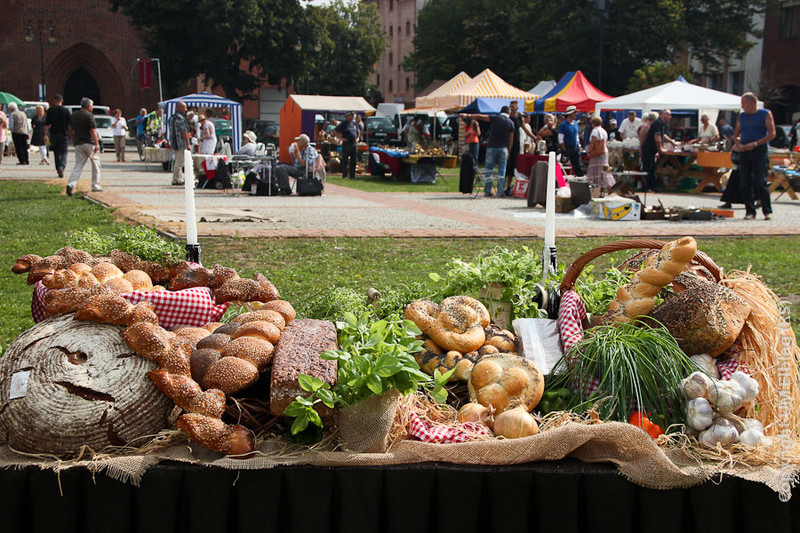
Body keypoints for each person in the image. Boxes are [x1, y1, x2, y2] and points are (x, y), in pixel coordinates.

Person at [733, 92, 775, 220]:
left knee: (760, 181)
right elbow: (736, 135)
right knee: (745, 182)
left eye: (743, 103)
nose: (742, 106)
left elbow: (772, 133)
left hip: (759, 150)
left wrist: (756, 143)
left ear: (752, 103)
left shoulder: (765, 114)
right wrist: (739, 144)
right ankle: (749, 211)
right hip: (745, 151)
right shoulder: (742, 116)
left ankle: (767, 210)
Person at [461, 106, 514, 197]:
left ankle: (487, 191)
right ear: (508, 113)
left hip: (491, 147)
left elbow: (481, 116)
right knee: (502, 171)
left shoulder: (495, 118)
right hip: (503, 148)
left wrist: (468, 115)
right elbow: (511, 139)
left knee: (489, 169)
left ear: (501, 111)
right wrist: (509, 151)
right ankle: (500, 191)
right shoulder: (511, 123)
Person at [66, 97, 102, 196]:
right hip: (89, 143)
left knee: (78, 165)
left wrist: (72, 137)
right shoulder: (89, 116)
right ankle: (95, 185)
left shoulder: (74, 115)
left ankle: (71, 184)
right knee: (95, 164)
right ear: (89, 106)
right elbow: (93, 131)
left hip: (78, 143)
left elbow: (70, 128)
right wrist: (97, 143)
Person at [640, 109, 677, 192]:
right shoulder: (658, 123)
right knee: (648, 168)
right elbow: (657, 137)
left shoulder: (662, 124)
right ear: (662, 114)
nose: (670, 117)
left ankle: (652, 186)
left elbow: (662, 134)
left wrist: (671, 141)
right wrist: (660, 148)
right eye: (668, 115)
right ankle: (646, 188)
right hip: (648, 148)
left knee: (652, 168)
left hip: (653, 150)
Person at [586, 115, 615, 191]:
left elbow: (593, 142)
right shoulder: (603, 130)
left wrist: (589, 151)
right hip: (604, 152)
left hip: (597, 154)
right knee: (604, 170)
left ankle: (596, 188)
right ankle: (608, 187)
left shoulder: (595, 131)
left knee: (595, 170)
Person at [45, 94, 71, 177]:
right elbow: (70, 124)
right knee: (64, 152)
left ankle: (58, 167)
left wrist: (45, 134)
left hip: (54, 133)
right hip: (64, 134)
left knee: (56, 152)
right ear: (62, 101)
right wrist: (71, 134)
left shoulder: (50, 110)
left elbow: (47, 124)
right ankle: (62, 166)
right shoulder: (66, 111)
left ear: (54, 101)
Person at [167, 102, 191, 186]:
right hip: (180, 142)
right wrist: (188, 143)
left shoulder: (171, 117)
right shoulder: (180, 118)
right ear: (179, 108)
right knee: (180, 162)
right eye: (185, 108)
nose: (186, 109)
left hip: (174, 142)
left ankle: (179, 178)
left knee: (177, 160)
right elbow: (183, 131)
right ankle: (176, 179)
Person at [504, 100, 523, 196]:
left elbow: (524, 128)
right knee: (508, 165)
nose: (512, 108)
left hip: (517, 143)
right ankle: (506, 186)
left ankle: (513, 186)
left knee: (515, 165)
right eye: (511, 106)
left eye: (514, 106)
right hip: (508, 142)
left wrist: (533, 136)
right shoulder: (508, 117)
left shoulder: (519, 116)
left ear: (517, 107)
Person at [558, 105, 584, 176]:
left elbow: (576, 135)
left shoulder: (575, 123)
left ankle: (579, 181)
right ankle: (561, 182)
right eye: (575, 112)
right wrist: (565, 150)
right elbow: (560, 139)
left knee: (578, 166)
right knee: (564, 167)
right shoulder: (564, 125)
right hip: (567, 148)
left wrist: (578, 144)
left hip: (575, 148)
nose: (576, 114)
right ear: (571, 113)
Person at [333, 111, 359, 179]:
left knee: (354, 159)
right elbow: (335, 131)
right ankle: (345, 175)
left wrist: (358, 138)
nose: (352, 117)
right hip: (347, 143)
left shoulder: (354, 124)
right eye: (351, 115)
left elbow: (358, 131)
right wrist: (340, 138)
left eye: (353, 115)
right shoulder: (344, 124)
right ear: (347, 116)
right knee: (345, 159)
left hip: (354, 143)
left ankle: (352, 175)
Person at [198, 113, 218, 179]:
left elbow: (207, 135)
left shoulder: (206, 125)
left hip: (210, 141)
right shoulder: (209, 123)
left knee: (206, 154)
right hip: (212, 140)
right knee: (208, 154)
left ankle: (206, 169)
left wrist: (200, 139)